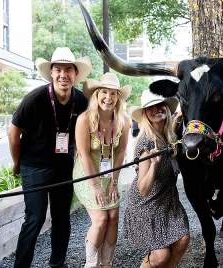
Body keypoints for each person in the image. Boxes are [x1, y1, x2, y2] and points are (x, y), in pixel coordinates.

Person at [8, 47, 91, 268]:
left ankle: (57, 263)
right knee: (34, 218)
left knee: (62, 217)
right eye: (58, 70)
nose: (63, 74)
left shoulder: (81, 101)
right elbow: (13, 131)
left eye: (68, 70)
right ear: (51, 73)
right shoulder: (35, 98)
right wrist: (17, 163)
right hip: (34, 166)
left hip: (63, 167)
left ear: (75, 74)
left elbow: (89, 131)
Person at [123, 88, 190, 268]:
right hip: (147, 206)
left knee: (182, 241)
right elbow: (143, 189)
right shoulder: (146, 143)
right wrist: (153, 165)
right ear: (145, 113)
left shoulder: (170, 136)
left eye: (160, 105)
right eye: (151, 107)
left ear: (167, 109)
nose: (157, 109)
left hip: (168, 202)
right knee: (160, 256)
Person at [73, 72, 131, 267]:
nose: (109, 97)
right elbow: (84, 155)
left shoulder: (124, 120)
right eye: (104, 92)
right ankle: (91, 264)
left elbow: (121, 151)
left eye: (113, 93)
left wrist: (114, 182)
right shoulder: (84, 120)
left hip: (109, 175)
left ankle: (106, 263)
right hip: (87, 174)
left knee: (113, 217)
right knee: (100, 219)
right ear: (96, 95)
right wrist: (96, 186)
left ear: (118, 97)